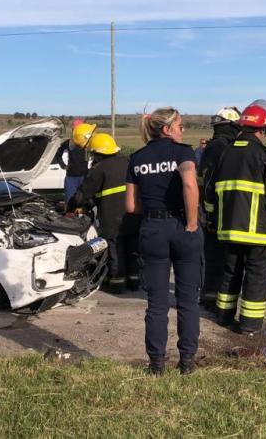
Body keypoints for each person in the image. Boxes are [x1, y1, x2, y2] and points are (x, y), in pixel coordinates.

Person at [125, 107, 202, 375]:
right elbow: (190, 185)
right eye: (181, 125)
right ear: (168, 129)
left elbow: (131, 206)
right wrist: (191, 223)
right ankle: (187, 363)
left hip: (153, 229)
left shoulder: (137, 158)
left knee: (156, 304)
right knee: (187, 300)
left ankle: (157, 364)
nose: (184, 130)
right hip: (182, 226)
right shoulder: (183, 152)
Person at [206, 104, 266, 336]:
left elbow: (209, 190)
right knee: (256, 276)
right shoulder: (265, 156)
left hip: (228, 230)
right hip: (258, 232)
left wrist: (213, 218)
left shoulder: (224, 152)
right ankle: (249, 325)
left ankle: (223, 316)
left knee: (230, 272)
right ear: (262, 130)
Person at [69, 133, 140, 293]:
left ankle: (117, 285)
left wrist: (71, 205)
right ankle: (134, 282)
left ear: (97, 153)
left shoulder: (99, 169)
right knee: (132, 251)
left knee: (116, 252)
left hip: (112, 219)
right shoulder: (128, 162)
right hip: (133, 216)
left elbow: (84, 194)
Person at [197, 106, 241, 305]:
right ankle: (210, 298)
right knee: (215, 258)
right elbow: (208, 183)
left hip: (227, 212)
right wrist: (210, 214)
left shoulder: (227, 145)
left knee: (224, 258)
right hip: (215, 214)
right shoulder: (219, 147)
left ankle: (218, 298)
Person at [56, 121, 96, 202]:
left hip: (84, 176)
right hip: (71, 177)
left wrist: (93, 167)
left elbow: (96, 153)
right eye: (74, 129)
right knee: (70, 200)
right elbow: (58, 153)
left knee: (84, 200)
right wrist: (63, 165)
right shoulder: (69, 143)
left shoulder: (88, 142)